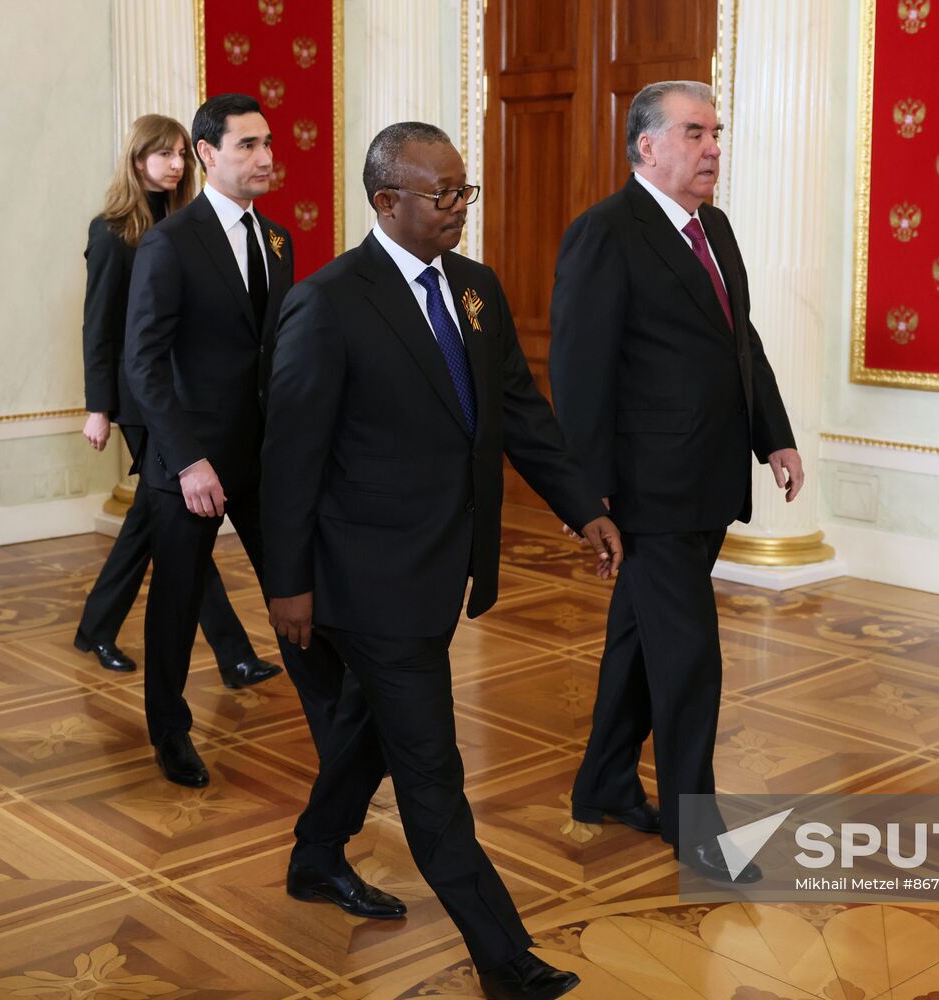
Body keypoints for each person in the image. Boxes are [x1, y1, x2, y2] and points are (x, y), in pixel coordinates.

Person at [262, 122, 616, 1000]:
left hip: (442, 567)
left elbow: (519, 413)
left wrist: (584, 507)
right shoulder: (329, 302)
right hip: (366, 579)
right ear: (387, 201)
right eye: (442, 193)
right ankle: (505, 959)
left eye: (465, 191)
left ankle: (315, 855)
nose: (460, 207)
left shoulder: (476, 289)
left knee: (369, 727)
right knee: (431, 769)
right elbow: (290, 457)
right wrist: (288, 584)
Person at [548, 80, 804, 882]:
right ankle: (698, 830)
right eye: (695, 133)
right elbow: (579, 369)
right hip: (649, 492)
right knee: (690, 658)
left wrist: (774, 435)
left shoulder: (712, 226)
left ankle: (604, 782)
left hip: (709, 479)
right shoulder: (605, 232)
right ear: (647, 145)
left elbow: (739, 340)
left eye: (715, 132)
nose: (712, 148)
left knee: (639, 642)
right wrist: (584, 495)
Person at [124, 94, 344, 789]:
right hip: (188, 462)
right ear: (207, 153)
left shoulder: (277, 239)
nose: (265, 157)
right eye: (247, 145)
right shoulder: (169, 242)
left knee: (295, 586)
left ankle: (336, 728)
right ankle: (169, 732)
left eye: (268, 143)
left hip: (264, 458)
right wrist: (188, 459)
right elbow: (143, 363)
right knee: (176, 604)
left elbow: (273, 353)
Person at [75, 113, 281, 691]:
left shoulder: (189, 223)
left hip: (185, 396)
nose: (174, 164)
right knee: (178, 523)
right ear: (136, 159)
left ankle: (97, 625)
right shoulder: (112, 231)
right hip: (144, 403)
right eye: (161, 154)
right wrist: (98, 406)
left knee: (157, 526)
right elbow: (100, 326)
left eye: (178, 155)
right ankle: (232, 653)